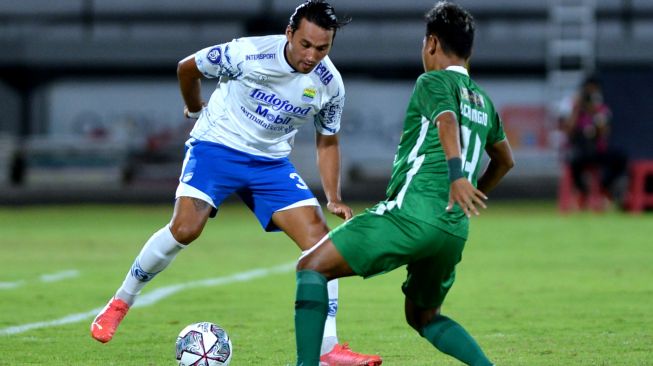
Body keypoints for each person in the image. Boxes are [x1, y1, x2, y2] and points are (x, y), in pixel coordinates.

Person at [90, 1, 382, 364]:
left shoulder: (330, 85)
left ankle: (327, 349)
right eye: (305, 44)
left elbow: (328, 140)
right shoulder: (246, 53)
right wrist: (195, 108)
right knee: (185, 229)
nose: (312, 56)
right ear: (289, 33)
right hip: (217, 147)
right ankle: (121, 301)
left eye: (322, 48)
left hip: (270, 164)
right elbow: (187, 69)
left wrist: (333, 196)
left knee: (323, 246)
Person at [293, 2, 515, 365]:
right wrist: (471, 194)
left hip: (411, 214)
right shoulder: (484, 101)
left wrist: (458, 176)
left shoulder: (433, 81)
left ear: (431, 43)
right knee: (424, 317)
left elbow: (445, 120)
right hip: (453, 229)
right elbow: (506, 160)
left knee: (311, 267)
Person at [562, 75, 627, 208]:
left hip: (598, 151)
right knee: (573, 161)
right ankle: (582, 194)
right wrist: (577, 109)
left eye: (594, 92)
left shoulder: (602, 109)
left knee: (620, 157)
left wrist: (596, 113)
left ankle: (605, 188)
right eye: (588, 92)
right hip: (581, 152)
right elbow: (568, 131)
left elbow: (604, 133)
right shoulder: (576, 109)